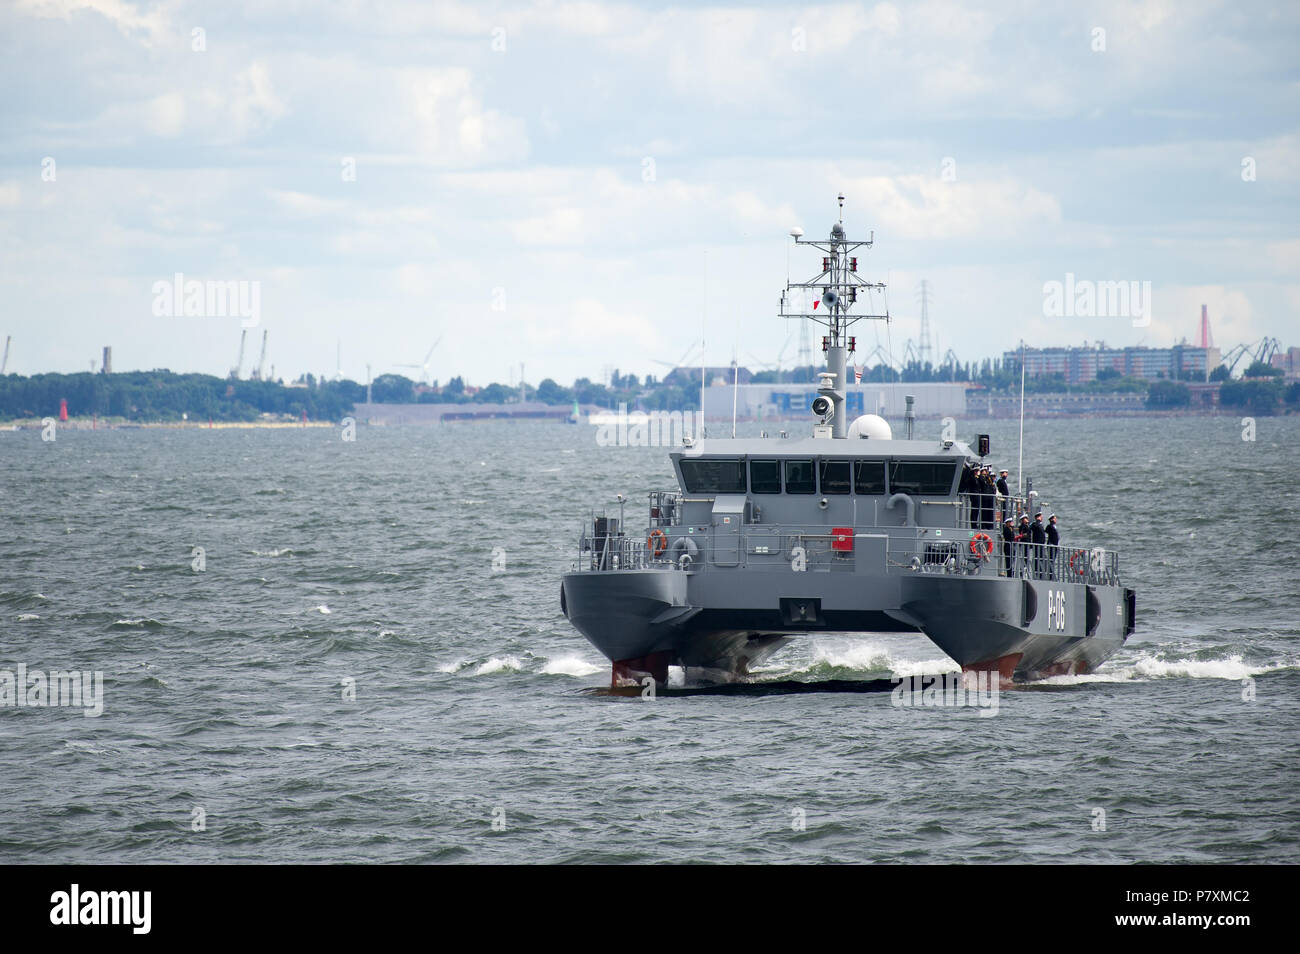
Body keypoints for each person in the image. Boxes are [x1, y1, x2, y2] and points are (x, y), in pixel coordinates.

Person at [1030, 511, 1047, 579]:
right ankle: (1037, 573)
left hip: (1041, 546)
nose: (1042, 517)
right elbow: (1031, 528)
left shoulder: (1040, 524)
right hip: (1037, 545)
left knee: (1042, 559)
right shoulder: (1035, 524)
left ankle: (1040, 573)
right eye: (1041, 516)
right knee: (1037, 559)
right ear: (1038, 517)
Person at [1045, 513, 1061, 580]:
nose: (1056, 519)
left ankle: (1051, 575)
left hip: (1055, 546)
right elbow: (1046, 531)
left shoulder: (1054, 526)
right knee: (1051, 560)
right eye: (1054, 518)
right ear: (1051, 519)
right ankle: (1050, 575)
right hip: (1051, 546)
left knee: (1053, 560)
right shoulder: (1050, 526)